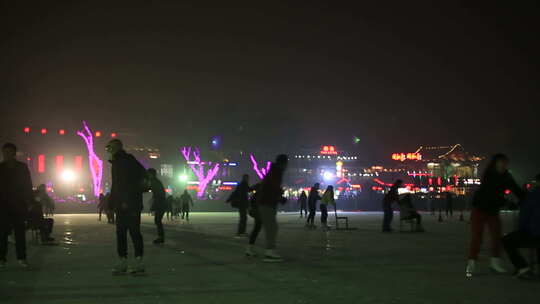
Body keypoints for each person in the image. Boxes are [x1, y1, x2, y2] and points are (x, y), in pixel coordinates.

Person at [466, 154, 525, 276]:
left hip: (493, 211)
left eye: (505, 163)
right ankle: (471, 262)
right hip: (480, 209)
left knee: (496, 236)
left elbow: (516, 189)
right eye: (501, 162)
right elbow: (492, 194)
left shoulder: (506, 176)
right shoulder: (489, 175)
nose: (503, 165)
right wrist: (508, 203)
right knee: (477, 237)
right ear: (495, 163)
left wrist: (526, 199)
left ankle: (495, 262)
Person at [106, 139, 148, 275]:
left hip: (132, 204)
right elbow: (116, 185)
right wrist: (112, 201)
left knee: (134, 232)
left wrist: (128, 200)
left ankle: (138, 261)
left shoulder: (127, 160)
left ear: (116, 148)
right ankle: (123, 260)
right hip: (121, 204)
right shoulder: (116, 163)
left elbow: (130, 182)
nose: (108, 151)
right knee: (121, 232)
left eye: (110, 148)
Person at [0, 143, 34, 268]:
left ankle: (21, 257)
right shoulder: (1, 168)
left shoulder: (22, 167)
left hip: (18, 205)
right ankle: (1, 258)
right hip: (2, 205)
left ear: (14, 154)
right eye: (5, 152)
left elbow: (27, 185)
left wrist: (30, 201)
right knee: (2, 233)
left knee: (20, 233)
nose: (7, 155)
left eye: (9, 152)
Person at [502, 173, 540, 280]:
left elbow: (525, 218)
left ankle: (523, 267)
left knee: (507, 241)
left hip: (533, 233)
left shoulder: (532, 195)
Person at [257, 154, 288, 262]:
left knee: (272, 227)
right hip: (267, 203)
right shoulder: (276, 172)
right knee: (271, 227)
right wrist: (280, 196)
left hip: (267, 203)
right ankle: (269, 252)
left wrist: (279, 195)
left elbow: (271, 187)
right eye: (286, 163)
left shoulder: (274, 172)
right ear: (282, 163)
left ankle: (270, 250)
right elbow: (272, 187)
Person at [147, 168, 166, 244]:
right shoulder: (155, 181)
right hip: (160, 203)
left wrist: (154, 204)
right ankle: (160, 237)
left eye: (148, 174)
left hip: (160, 203)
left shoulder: (154, 182)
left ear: (151, 174)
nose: (148, 175)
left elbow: (158, 194)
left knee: (157, 220)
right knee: (157, 220)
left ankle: (161, 237)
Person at [245, 183, 263, 257]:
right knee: (257, 228)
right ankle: (249, 249)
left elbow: (249, 189)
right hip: (260, 210)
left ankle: (249, 249)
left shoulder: (259, 186)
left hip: (258, 210)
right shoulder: (264, 186)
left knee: (257, 229)